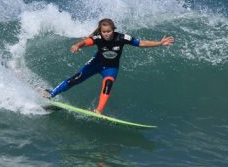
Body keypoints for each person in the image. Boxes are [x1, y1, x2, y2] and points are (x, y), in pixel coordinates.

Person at [44, 18, 174, 114]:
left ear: (113, 30)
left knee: (108, 85)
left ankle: (98, 110)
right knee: (76, 78)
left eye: (109, 31)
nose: (106, 34)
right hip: (96, 64)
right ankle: (52, 94)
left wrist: (160, 43)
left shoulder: (123, 38)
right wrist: (77, 45)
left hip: (111, 68)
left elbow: (141, 43)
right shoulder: (98, 37)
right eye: (104, 31)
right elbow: (85, 42)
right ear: (101, 31)